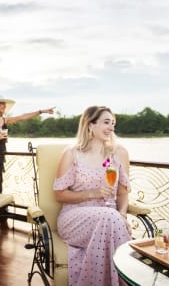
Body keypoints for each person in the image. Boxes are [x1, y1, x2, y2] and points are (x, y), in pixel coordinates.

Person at [53, 105, 131, 286]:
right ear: (90, 125)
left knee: (111, 217)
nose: (111, 127)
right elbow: (59, 195)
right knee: (110, 217)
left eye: (113, 123)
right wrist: (92, 193)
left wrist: (123, 215)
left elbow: (123, 193)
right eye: (106, 122)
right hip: (74, 217)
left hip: (111, 218)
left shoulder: (119, 153)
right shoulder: (71, 153)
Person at [0, 95, 54, 225]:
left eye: (4, 104)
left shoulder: (4, 120)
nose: (4, 106)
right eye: (2, 104)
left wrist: (41, 111)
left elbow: (22, 117)